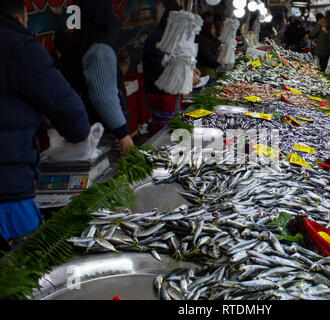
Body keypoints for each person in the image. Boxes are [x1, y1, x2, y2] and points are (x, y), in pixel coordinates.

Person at [0, 0, 91, 250]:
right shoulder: (20, 47)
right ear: (20, 17)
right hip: (8, 193)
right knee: (25, 274)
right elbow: (71, 112)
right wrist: (76, 134)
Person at [60, 0, 134, 154]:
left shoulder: (74, 40)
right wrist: (123, 134)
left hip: (80, 128)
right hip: (101, 132)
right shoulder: (99, 48)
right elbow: (103, 97)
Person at [143, 0, 201, 136]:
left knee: (173, 127)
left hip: (171, 94)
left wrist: (190, 71)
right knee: (164, 132)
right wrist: (185, 76)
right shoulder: (159, 38)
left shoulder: (172, 37)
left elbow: (176, 60)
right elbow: (161, 68)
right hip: (160, 94)